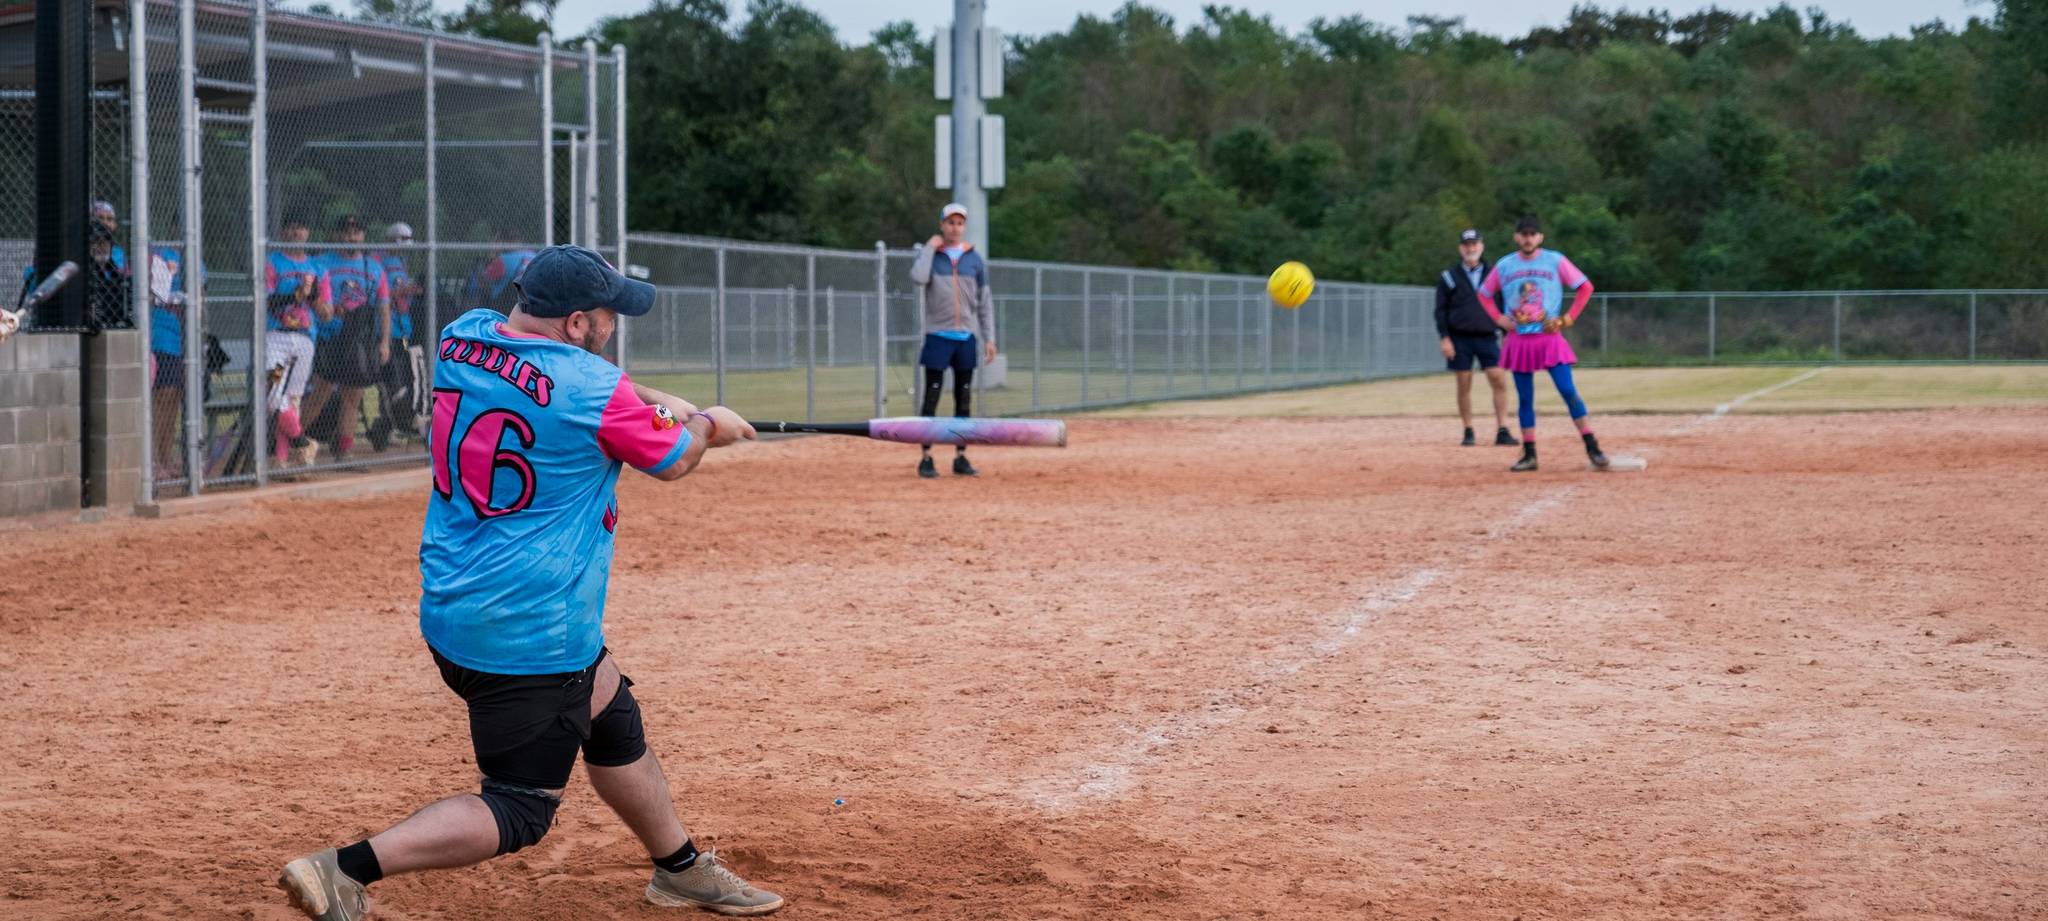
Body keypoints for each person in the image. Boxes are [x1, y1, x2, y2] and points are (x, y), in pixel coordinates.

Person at [276, 245, 781, 921]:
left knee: (610, 714)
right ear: (575, 324)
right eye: (607, 316)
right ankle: (343, 868)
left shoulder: (464, 336)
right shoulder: (592, 391)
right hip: (530, 631)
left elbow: (584, 383)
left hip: (456, 606)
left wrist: (657, 400)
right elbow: (674, 459)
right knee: (520, 806)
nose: (613, 326)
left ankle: (680, 867)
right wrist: (707, 424)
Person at [1475, 216, 1609, 472]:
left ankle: (1592, 446)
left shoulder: (1554, 260)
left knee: (1567, 390)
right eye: (1524, 234)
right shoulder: (1505, 265)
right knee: (1525, 398)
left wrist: (1568, 318)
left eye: (1532, 234)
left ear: (1540, 237)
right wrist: (1499, 319)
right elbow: (1484, 294)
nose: (1528, 238)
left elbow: (1585, 287)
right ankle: (1529, 453)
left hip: (1548, 338)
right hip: (1519, 340)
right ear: (1517, 237)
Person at [905, 202, 996, 478]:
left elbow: (984, 303)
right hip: (938, 336)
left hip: (966, 338)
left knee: (963, 398)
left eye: (959, 223)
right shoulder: (933, 256)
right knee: (931, 396)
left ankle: (960, 456)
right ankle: (926, 457)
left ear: (964, 227)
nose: (955, 228)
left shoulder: (974, 259)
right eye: (950, 223)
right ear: (942, 225)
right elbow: (918, 278)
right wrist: (929, 248)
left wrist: (989, 337)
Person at [299, 215, 391, 460]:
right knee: (321, 393)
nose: (352, 236)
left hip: (357, 339)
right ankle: (292, 443)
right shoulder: (321, 263)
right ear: (337, 235)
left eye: (357, 232)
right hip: (329, 337)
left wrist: (384, 342)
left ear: (363, 236)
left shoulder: (373, 268)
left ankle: (344, 449)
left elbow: (383, 307)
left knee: (353, 395)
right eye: (347, 232)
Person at [1435, 229, 1517, 447]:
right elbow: (1440, 311)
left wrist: (1508, 335)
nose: (1470, 249)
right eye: (1466, 245)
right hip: (1459, 337)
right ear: (1460, 248)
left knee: (1498, 379)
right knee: (1464, 382)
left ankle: (1502, 428)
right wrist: (1445, 338)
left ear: (1481, 246)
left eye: (1474, 244)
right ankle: (1468, 429)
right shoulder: (1449, 277)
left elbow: (1503, 305)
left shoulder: (1494, 274)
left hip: (1487, 336)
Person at [264, 217, 328, 468]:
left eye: (300, 227)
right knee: (273, 392)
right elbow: (266, 301)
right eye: (291, 227)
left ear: (307, 232)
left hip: (304, 340)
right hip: (277, 338)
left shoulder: (317, 268)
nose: (296, 232)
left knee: (292, 399)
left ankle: (282, 459)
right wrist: (295, 294)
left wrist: (313, 297)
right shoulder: (273, 262)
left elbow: (326, 313)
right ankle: (302, 441)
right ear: (283, 232)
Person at [367, 221, 426, 450]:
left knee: (403, 381)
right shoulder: (376, 259)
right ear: (389, 240)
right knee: (390, 382)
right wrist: (400, 291)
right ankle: (383, 428)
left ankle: (389, 427)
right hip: (383, 329)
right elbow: (377, 294)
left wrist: (410, 290)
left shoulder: (400, 261)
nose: (403, 249)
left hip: (403, 327)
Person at [144, 243, 199, 482]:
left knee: (174, 397)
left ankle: (166, 457)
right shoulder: (155, 254)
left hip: (183, 338)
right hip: (160, 335)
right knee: (162, 396)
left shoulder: (194, 258)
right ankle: (153, 459)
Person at [463, 231, 537, 313]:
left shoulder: (503, 260)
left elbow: (483, 282)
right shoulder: (534, 256)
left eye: (496, 242)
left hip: (505, 304)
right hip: (532, 300)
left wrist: (492, 255)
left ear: (502, 242)